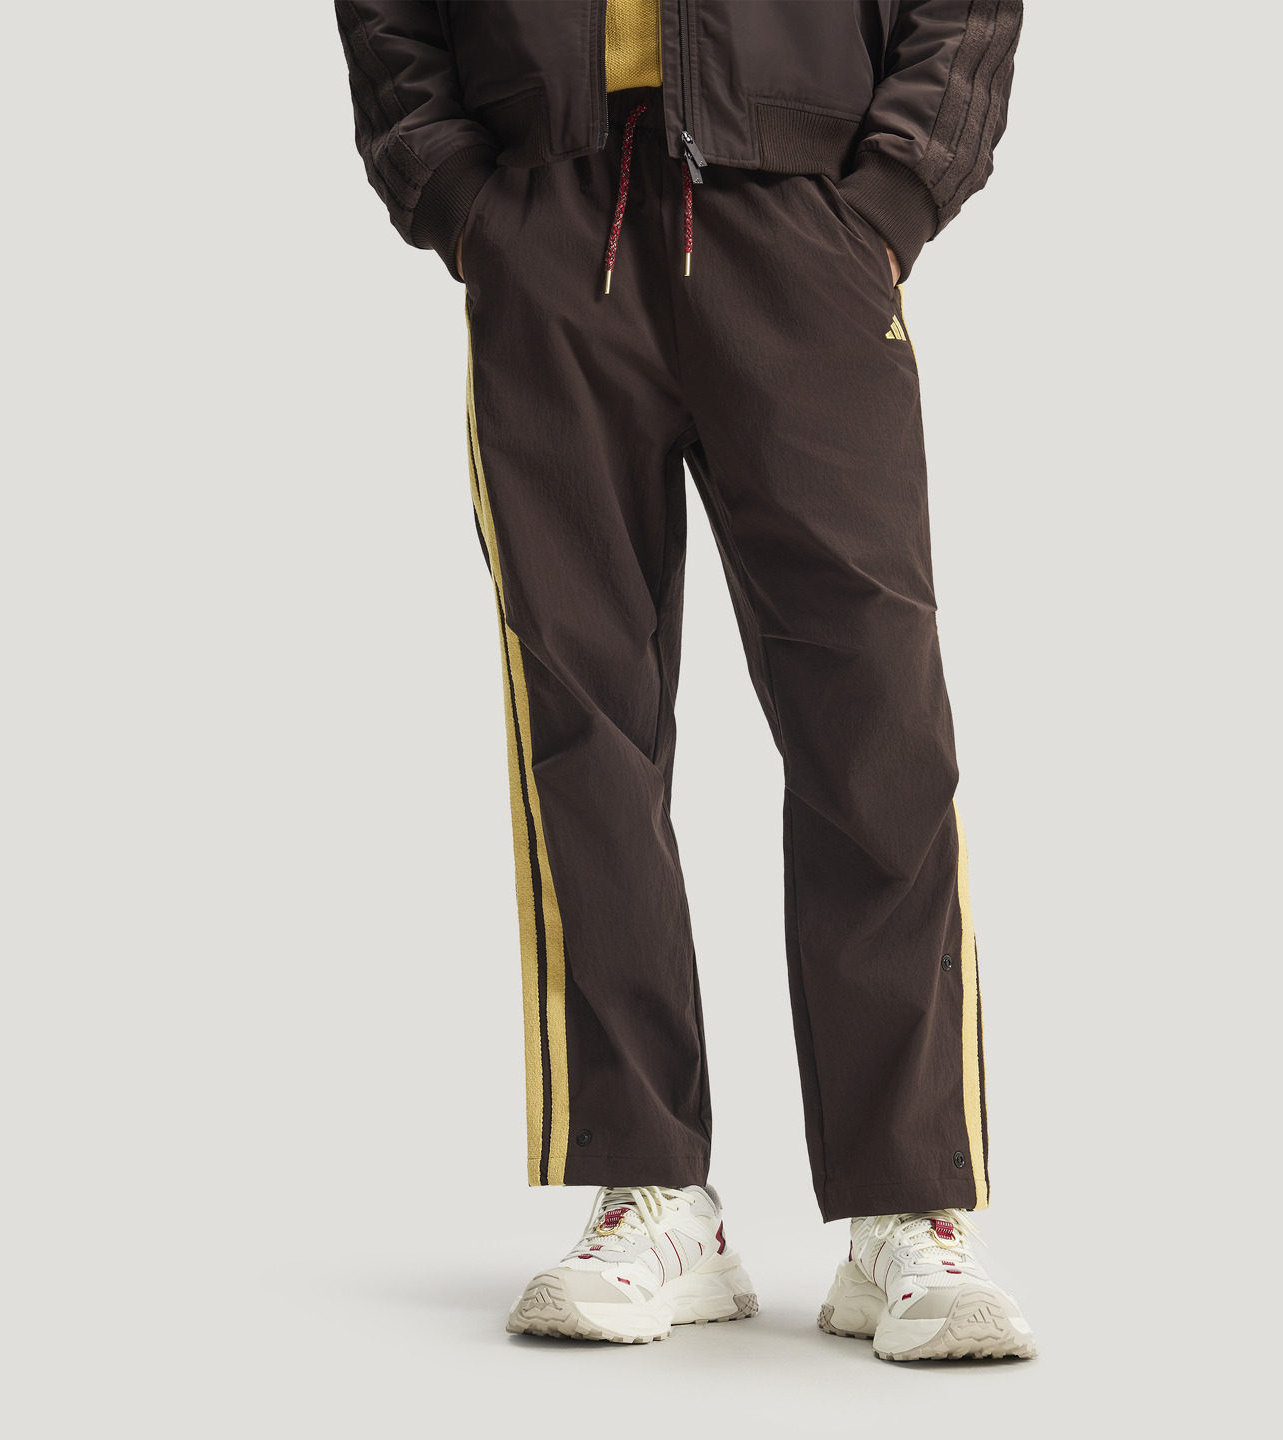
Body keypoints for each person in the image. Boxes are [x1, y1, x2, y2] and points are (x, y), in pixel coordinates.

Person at [336, 0, 1033, 1361]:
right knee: (582, 722)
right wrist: (454, 187)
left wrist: (894, 193)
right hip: (549, 210)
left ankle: (908, 1204)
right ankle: (651, 1191)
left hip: (804, 211)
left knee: (874, 714)